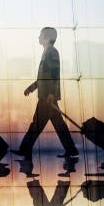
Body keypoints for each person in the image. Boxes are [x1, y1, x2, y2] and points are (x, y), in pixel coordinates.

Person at [12, 27, 78, 160]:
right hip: (47, 96)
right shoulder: (47, 52)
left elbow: (54, 74)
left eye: (40, 35)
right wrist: (31, 88)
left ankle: (25, 150)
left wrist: (52, 94)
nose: (38, 37)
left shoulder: (52, 52)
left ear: (46, 37)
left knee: (36, 125)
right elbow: (42, 77)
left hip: (47, 97)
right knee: (58, 125)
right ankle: (71, 150)